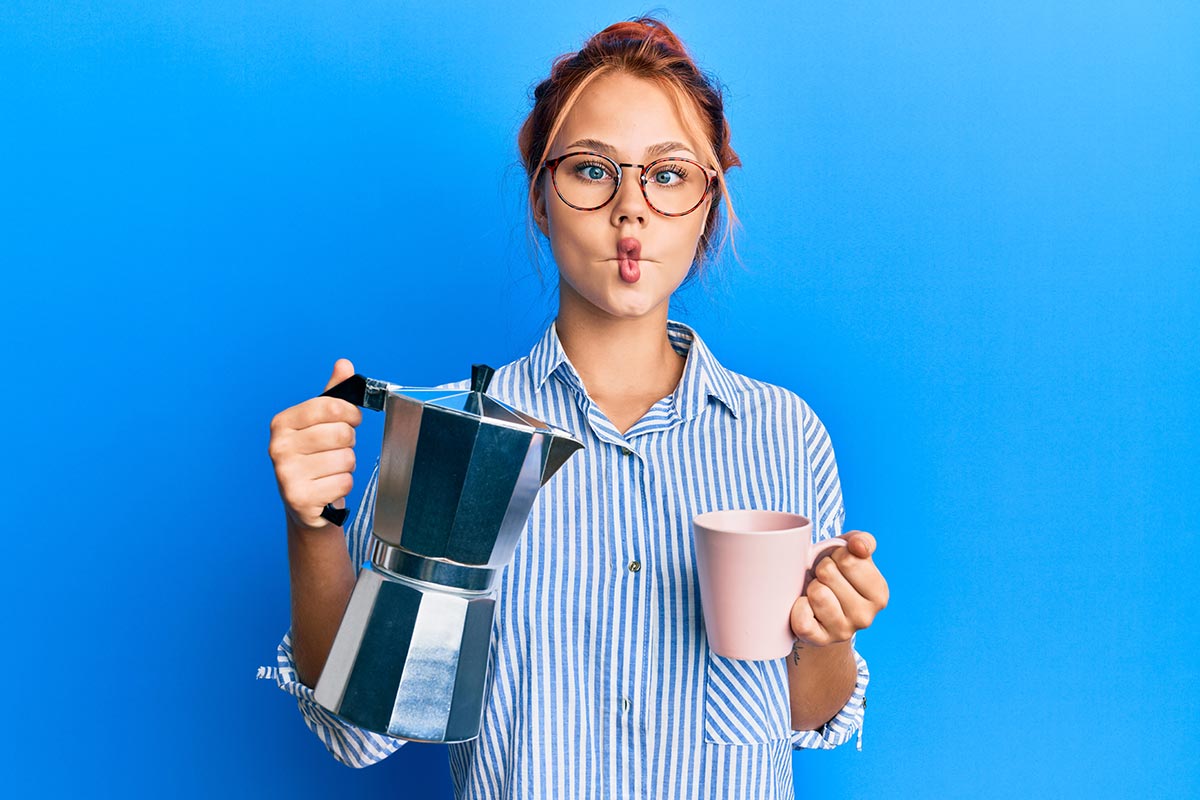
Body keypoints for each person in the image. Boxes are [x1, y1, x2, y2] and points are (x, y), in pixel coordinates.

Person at [259, 17, 889, 799]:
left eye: (668, 175)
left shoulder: (783, 435)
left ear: (708, 207)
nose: (632, 208)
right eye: (593, 170)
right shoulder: (461, 441)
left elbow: (803, 713)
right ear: (540, 199)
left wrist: (831, 633)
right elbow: (359, 729)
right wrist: (312, 528)